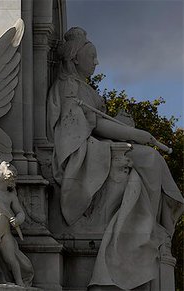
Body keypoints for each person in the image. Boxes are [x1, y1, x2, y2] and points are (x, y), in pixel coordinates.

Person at [47, 27, 184, 289]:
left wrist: (126, 129)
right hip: (80, 152)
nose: (96, 62)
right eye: (92, 55)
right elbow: (88, 127)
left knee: (149, 162)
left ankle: (151, 228)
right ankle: (150, 230)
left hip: (97, 146)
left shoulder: (84, 89)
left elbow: (98, 124)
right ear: (75, 58)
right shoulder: (68, 86)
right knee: (151, 160)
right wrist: (138, 134)